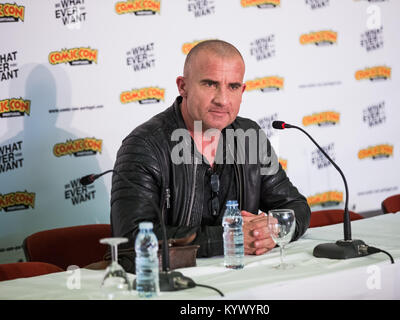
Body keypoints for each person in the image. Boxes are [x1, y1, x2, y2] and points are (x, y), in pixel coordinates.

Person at [110, 40, 311, 273]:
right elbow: (131, 239)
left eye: (233, 87)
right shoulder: (145, 145)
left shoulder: (249, 136)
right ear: (182, 86)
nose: (223, 99)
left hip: (240, 278)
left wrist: (273, 229)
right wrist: (229, 236)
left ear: (242, 91)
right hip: (171, 283)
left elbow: (296, 207)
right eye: (210, 84)